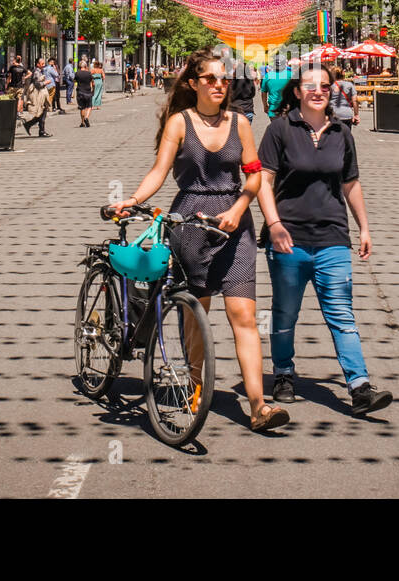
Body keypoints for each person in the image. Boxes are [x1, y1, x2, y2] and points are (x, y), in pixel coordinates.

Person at [111, 47, 289, 433]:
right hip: (190, 222)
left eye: (224, 79)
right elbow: (159, 171)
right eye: (210, 79)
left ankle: (258, 407)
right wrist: (134, 199)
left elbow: (254, 174)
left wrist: (241, 205)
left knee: (243, 315)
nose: (219, 85)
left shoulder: (240, 122)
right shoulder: (180, 122)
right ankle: (193, 386)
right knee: (197, 314)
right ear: (193, 84)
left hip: (234, 223)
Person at [257, 63, 392, 417]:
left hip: (332, 236)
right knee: (285, 314)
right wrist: (273, 225)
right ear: (298, 92)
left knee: (342, 314)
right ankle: (283, 373)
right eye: (310, 85)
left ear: (331, 90)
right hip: (288, 239)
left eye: (324, 85)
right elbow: (264, 182)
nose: (318, 90)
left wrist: (363, 226)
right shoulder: (279, 130)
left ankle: (359, 385)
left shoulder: (341, 133)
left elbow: (350, 183)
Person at [22, 58, 50, 137]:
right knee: (42, 111)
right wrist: (46, 82)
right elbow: (37, 84)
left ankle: (33, 126)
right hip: (38, 95)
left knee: (42, 111)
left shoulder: (40, 71)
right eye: (42, 64)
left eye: (44, 63)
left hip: (40, 95)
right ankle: (39, 129)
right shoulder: (37, 72)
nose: (44, 65)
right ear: (38, 64)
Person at [74, 59, 95, 127]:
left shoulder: (77, 73)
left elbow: (74, 81)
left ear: (80, 66)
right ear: (86, 66)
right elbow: (93, 82)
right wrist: (93, 89)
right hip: (88, 91)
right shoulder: (89, 73)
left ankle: (82, 122)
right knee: (89, 106)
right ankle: (86, 117)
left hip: (80, 91)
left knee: (82, 107)